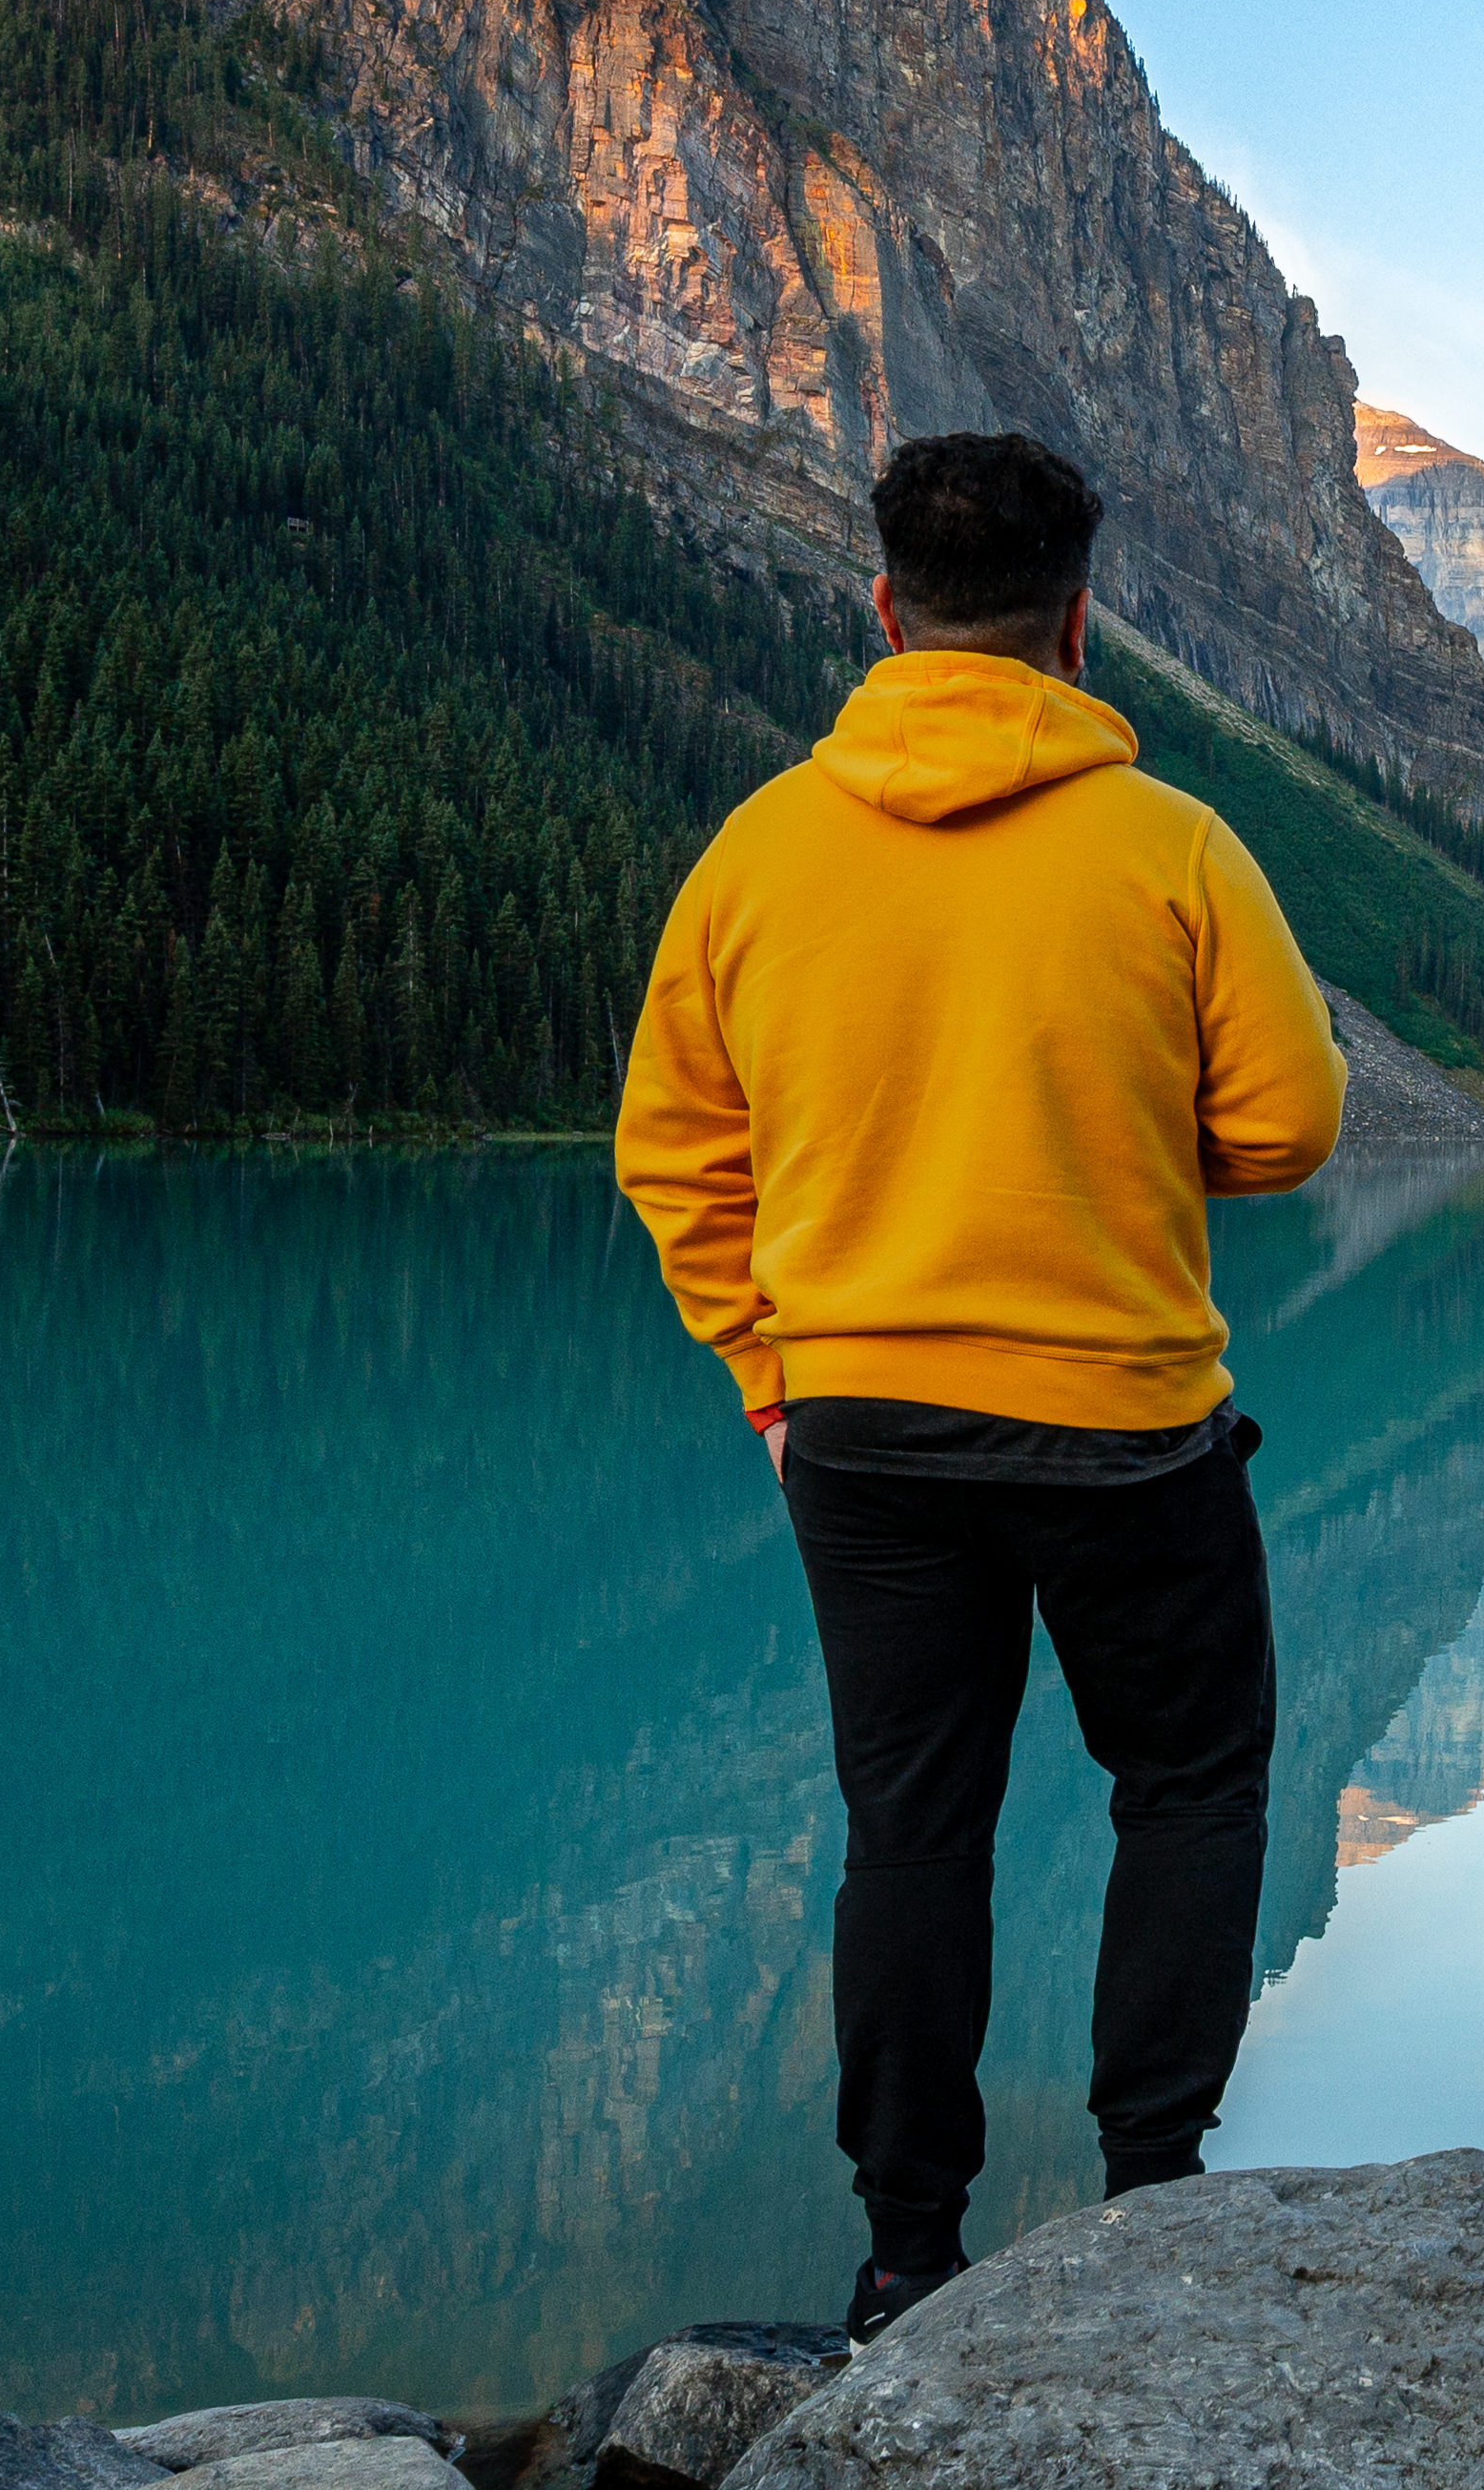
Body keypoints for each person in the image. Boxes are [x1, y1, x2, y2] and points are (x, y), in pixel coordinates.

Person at [613, 429, 1347, 2343]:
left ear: (886, 610)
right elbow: (1287, 1125)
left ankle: (904, 2247)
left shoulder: (761, 851)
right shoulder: (1173, 844)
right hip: (1127, 1424)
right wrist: (1103, 1125)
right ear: (1078, 626)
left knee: (911, 1825)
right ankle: (1153, 2193)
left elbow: (673, 1150)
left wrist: (769, 1370)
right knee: (1187, 1787)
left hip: (859, 1435)